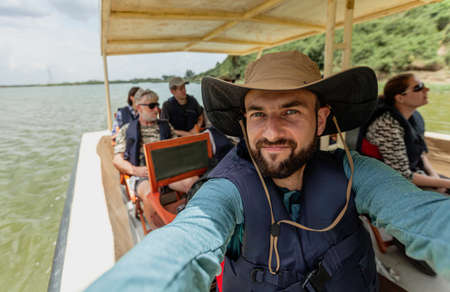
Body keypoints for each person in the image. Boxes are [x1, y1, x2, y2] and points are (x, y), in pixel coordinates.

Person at [88, 51, 450, 291]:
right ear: (244, 123)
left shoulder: (359, 174)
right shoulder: (226, 190)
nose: (272, 131)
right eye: (259, 114)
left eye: (291, 111)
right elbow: (186, 241)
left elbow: (426, 218)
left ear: (321, 119)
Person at [113, 89, 198, 229]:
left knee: (194, 182)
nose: (157, 109)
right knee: (149, 195)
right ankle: (159, 231)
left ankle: (191, 219)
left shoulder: (166, 126)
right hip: (142, 174)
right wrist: (135, 170)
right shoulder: (127, 130)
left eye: (157, 105)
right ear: (139, 107)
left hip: (167, 170)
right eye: (151, 106)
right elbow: (117, 160)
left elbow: (177, 149)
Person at [358, 73, 450, 194]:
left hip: (415, 174)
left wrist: (436, 179)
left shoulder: (412, 117)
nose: (426, 89)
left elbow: (420, 153)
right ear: (400, 98)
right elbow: (403, 176)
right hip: (389, 184)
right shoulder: (388, 126)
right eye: (418, 87)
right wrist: (444, 183)